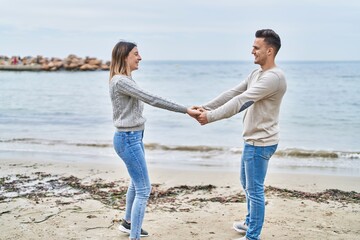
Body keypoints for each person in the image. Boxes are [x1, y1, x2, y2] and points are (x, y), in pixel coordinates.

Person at [193, 29, 286, 240]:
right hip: (252, 140)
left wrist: (210, 117)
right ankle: (250, 222)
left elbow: (241, 101)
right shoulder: (257, 74)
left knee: (254, 190)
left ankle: (253, 235)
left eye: (256, 47)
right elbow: (232, 93)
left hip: (260, 142)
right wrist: (204, 107)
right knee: (247, 184)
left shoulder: (273, 78)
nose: (252, 51)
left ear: (269, 51)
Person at [109, 41, 200, 240]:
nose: (140, 57)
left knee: (136, 183)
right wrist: (185, 110)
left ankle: (128, 223)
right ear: (125, 57)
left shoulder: (125, 80)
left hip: (133, 137)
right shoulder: (121, 81)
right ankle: (134, 236)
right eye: (136, 53)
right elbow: (153, 99)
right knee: (144, 189)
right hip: (128, 138)